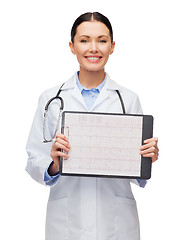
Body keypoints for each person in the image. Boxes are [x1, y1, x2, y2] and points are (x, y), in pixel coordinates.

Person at [26, 12, 159, 240]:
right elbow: (34, 160)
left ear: (112, 46)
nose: (94, 48)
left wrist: (146, 158)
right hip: (66, 222)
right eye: (84, 40)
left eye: (102, 40)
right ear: (72, 46)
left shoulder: (127, 99)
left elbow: (136, 171)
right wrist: (54, 165)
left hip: (116, 223)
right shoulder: (51, 99)